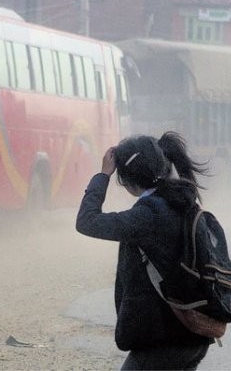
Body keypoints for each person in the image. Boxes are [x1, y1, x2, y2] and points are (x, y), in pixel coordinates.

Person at [75, 131, 213, 370]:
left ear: (127, 180)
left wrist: (103, 175)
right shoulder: (185, 204)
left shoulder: (147, 216)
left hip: (163, 341)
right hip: (194, 332)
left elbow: (87, 221)